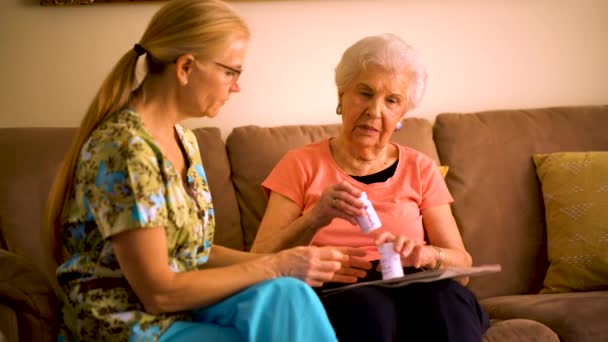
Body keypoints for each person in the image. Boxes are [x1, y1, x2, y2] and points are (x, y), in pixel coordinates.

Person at [43, 1, 363, 341]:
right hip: (129, 326)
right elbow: (158, 292)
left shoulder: (184, 140)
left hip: (180, 311)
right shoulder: (125, 149)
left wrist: (289, 261)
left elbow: (195, 253)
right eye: (231, 72)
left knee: (288, 294)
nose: (236, 86)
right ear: (185, 67)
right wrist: (277, 266)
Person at [251, 33, 490, 341]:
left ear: (402, 113)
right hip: (338, 288)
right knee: (367, 310)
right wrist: (313, 219)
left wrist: (427, 255)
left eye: (392, 101)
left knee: (446, 300)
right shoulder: (300, 164)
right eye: (364, 93)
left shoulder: (421, 168)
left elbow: (464, 269)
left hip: (416, 285)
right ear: (341, 96)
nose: (375, 111)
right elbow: (258, 259)